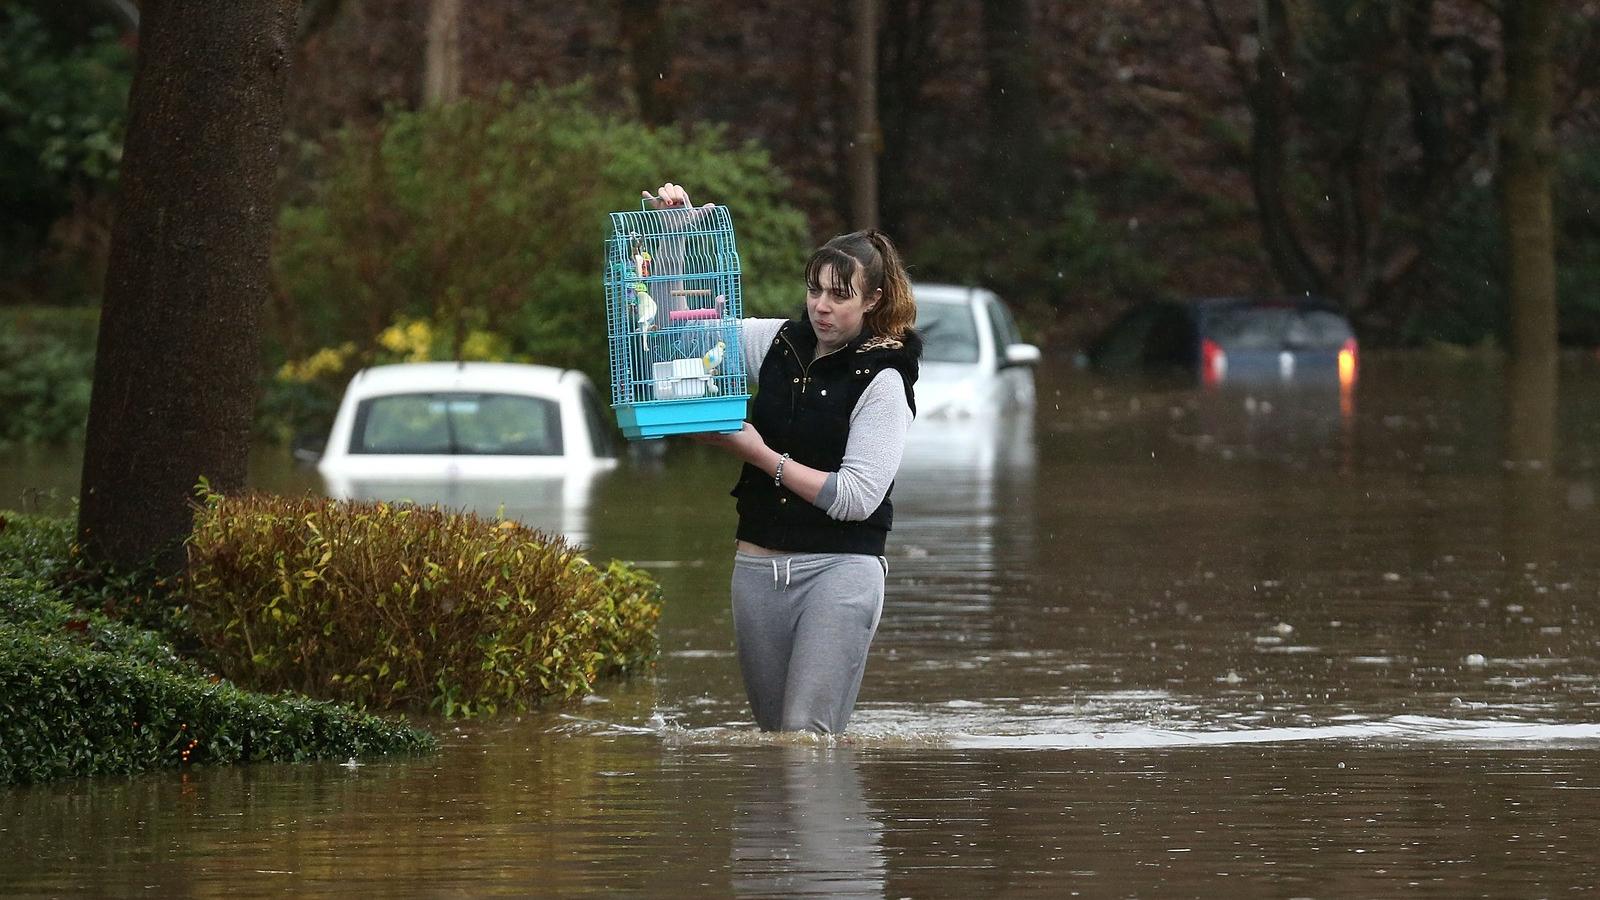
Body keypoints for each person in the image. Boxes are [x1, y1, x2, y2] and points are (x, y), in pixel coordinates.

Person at [645, 182, 921, 735]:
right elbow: (673, 343)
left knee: (803, 736)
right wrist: (676, 247)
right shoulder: (774, 343)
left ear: (872, 302)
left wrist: (758, 454)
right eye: (815, 290)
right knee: (774, 740)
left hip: (841, 569)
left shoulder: (884, 379)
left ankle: (833, 824)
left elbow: (856, 499)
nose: (821, 306)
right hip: (756, 568)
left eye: (840, 296)